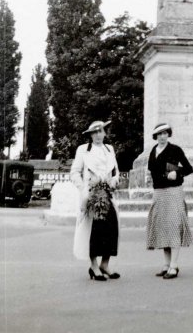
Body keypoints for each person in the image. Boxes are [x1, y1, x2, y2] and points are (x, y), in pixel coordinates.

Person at [70, 120, 120, 281]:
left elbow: (115, 171)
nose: (98, 135)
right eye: (95, 132)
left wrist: (114, 180)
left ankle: (105, 264)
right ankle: (94, 266)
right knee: (94, 231)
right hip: (92, 195)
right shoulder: (83, 150)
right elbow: (75, 172)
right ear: (90, 135)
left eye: (101, 131)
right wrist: (84, 188)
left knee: (111, 228)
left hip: (108, 194)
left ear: (105, 133)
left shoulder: (109, 149)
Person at [146, 122, 193, 279]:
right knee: (163, 227)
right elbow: (152, 171)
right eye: (159, 134)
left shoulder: (175, 149)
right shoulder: (153, 151)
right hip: (159, 192)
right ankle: (166, 264)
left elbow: (188, 168)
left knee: (173, 225)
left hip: (173, 192)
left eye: (165, 133)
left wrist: (177, 173)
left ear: (169, 134)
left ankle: (174, 266)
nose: (162, 136)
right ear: (155, 136)